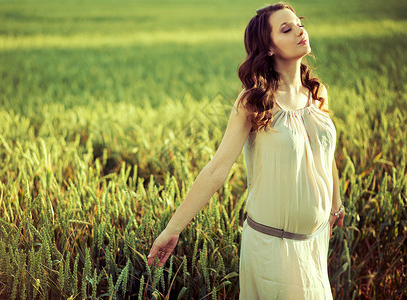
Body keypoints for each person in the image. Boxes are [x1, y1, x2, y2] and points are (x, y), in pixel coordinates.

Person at [147, 2, 345, 299]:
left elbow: (324, 155)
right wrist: (172, 229)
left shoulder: (316, 92)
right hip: (272, 248)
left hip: (314, 243)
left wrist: (335, 205)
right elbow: (217, 169)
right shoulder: (254, 101)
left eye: (298, 24)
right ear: (268, 47)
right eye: (286, 29)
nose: (299, 31)